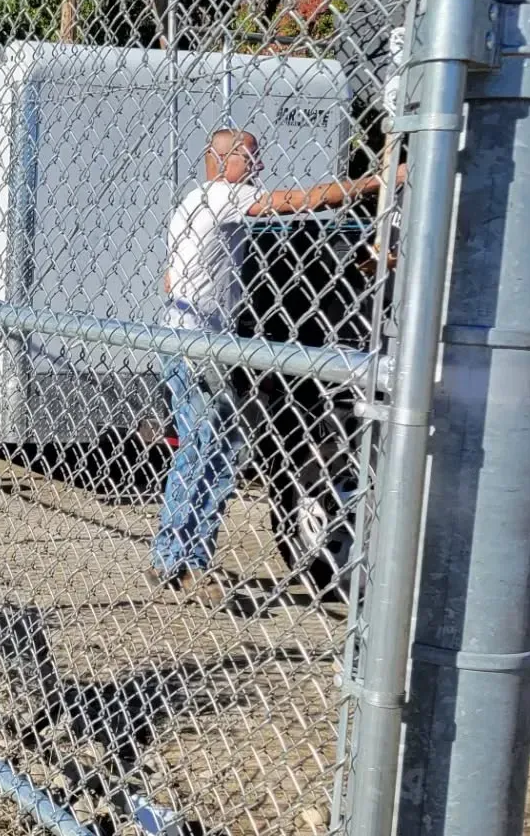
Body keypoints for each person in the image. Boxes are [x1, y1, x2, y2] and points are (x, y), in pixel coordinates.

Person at [148, 128, 403, 596]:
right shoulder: (224, 195)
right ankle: (179, 559)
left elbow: (171, 279)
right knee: (209, 447)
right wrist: (376, 181)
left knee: (208, 446)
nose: (259, 166)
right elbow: (294, 202)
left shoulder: (193, 201)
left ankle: (180, 558)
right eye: (250, 157)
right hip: (199, 343)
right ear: (220, 160)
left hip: (188, 338)